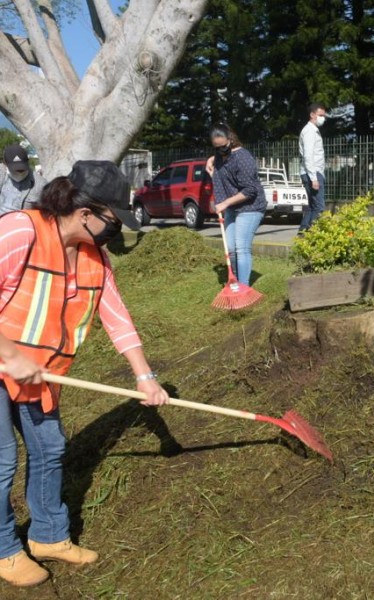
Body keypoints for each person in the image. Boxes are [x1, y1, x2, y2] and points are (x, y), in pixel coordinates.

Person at [0, 160, 169, 588]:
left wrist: (145, 377)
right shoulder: (20, 231)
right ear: (86, 213)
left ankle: (49, 537)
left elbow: (116, 316)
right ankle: (4, 549)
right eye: (114, 220)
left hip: (41, 374)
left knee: (50, 448)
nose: (117, 230)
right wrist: (10, 354)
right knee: (1, 461)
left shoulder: (96, 257)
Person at [205, 124, 267, 286]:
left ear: (230, 139)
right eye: (216, 148)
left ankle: (243, 286)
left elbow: (250, 190)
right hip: (232, 207)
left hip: (251, 206)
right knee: (231, 248)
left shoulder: (243, 159)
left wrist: (224, 203)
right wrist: (210, 161)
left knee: (241, 247)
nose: (220, 150)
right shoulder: (218, 156)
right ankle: (235, 282)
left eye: (223, 146)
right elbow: (219, 175)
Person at [298, 102, 327, 234]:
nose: (323, 118)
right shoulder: (309, 131)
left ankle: (303, 232)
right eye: (320, 115)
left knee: (311, 206)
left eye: (324, 115)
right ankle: (312, 234)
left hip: (310, 172)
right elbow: (308, 156)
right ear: (312, 114)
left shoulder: (312, 130)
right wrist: (314, 178)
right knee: (319, 206)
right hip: (313, 172)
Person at [0, 144, 48, 216]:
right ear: (5, 163)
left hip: (22, 224)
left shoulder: (41, 184)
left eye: (22, 168)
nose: (19, 172)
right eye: (15, 169)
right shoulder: (1, 173)